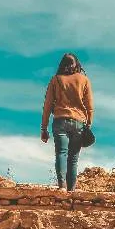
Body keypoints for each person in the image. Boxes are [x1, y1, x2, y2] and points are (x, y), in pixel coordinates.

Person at [41, 53, 94, 191]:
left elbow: (47, 106)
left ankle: (62, 186)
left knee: (61, 153)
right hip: (78, 122)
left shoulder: (56, 80)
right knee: (73, 158)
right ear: (77, 64)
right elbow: (90, 106)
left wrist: (44, 128)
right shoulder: (84, 80)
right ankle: (71, 190)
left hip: (60, 120)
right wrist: (88, 124)